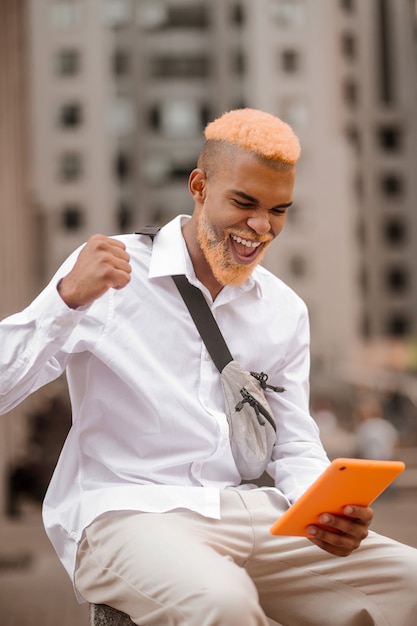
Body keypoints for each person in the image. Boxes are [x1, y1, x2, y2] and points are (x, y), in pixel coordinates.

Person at [0, 108, 416, 626]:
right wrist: (64, 302)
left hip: (250, 513)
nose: (261, 227)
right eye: (244, 202)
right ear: (199, 186)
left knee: (411, 582)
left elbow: (293, 441)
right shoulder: (109, 273)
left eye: (278, 210)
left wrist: (324, 509)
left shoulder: (285, 310)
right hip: (127, 512)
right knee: (221, 603)